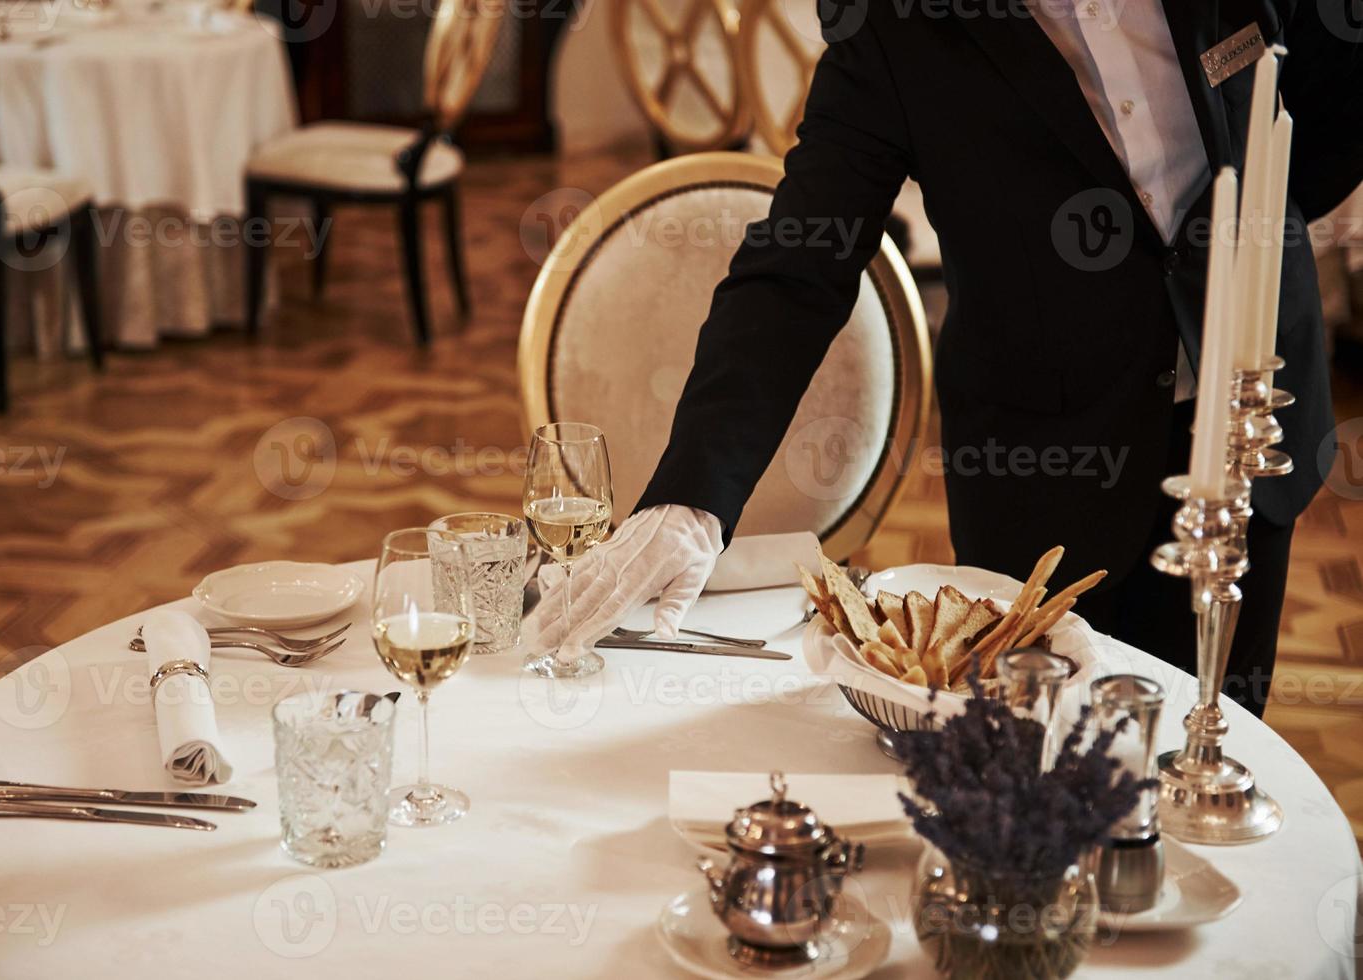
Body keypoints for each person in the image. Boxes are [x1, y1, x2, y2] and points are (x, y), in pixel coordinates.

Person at [525, 0, 1362, 716]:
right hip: (1049, 474)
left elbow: (1322, 124)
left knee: (1216, 741)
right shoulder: (897, 21)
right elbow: (798, 267)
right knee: (1036, 797)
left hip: (1251, 420)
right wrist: (690, 502)